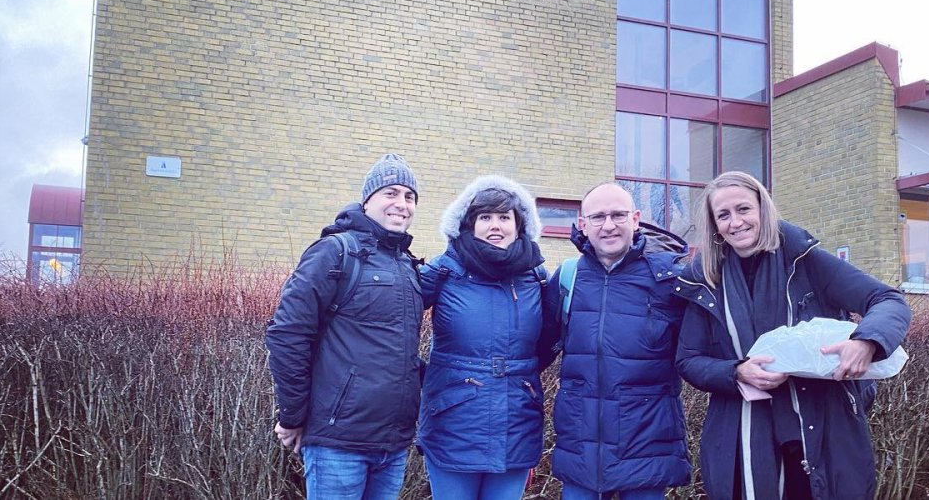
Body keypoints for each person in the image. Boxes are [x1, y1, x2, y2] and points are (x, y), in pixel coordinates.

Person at [675, 171, 912, 500]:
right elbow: (689, 359)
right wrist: (736, 371)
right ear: (715, 226)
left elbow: (887, 300)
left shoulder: (806, 260)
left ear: (763, 209)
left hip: (820, 428)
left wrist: (866, 341)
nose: (736, 222)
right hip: (740, 435)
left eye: (744, 209)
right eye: (723, 215)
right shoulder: (706, 281)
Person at [265, 153, 424, 500]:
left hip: (393, 444)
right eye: (391, 193)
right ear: (367, 200)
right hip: (339, 444)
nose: (402, 204)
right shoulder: (335, 252)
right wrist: (293, 416)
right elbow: (288, 334)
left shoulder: (406, 264)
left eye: (409, 197)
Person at [417, 175, 558, 500]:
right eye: (485, 217)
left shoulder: (536, 278)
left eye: (504, 217)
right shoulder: (444, 270)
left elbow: (551, 340)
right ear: (469, 224)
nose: (495, 225)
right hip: (453, 423)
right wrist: (424, 374)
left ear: (519, 224)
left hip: (516, 424)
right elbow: (390, 321)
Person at [549, 182, 692, 500]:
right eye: (598, 217)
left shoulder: (669, 280)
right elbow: (537, 349)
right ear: (583, 225)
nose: (609, 225)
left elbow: (699, 352)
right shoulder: (567, 277)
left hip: (645, 451)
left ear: (636, 219)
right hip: (581, 451)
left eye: (618, 215)